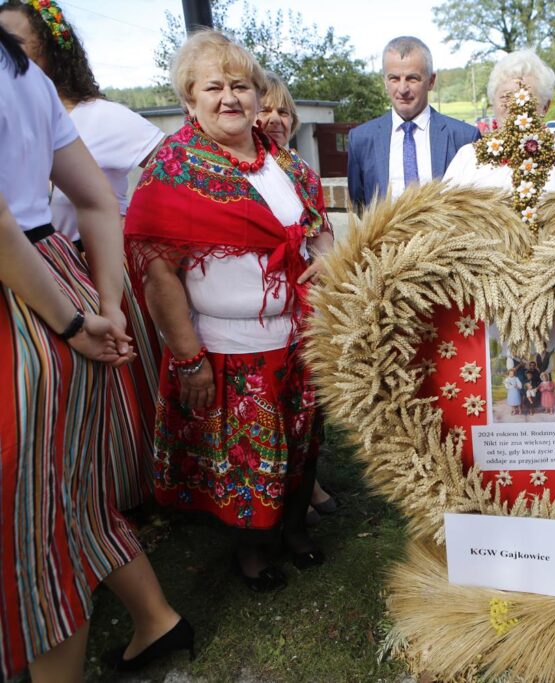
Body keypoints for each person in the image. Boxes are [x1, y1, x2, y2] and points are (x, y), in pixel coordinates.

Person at [0, 26, 190, 680]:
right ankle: (156, 618)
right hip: (60, 276)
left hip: (23, 298)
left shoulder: (53, 90)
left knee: (31, 534)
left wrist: (77, 321)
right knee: (66, 501)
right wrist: (103, 303)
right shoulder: (26, 77)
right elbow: (97, 199)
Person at [125, 30, 332, 592]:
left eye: (240, 85)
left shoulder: (284, 162)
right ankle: (253, 554)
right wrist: (188, 358)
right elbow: (159, 276)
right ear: (189, 99)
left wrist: (326, 255)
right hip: (229, 346)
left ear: (258, 94)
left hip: (300, 335)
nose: (229, 98)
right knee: (245, 459)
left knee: (300, 441)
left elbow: (317, 229)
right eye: (213, 87)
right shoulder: (173, 173)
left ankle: (294, 530)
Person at [0, 0, 165, 512]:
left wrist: (142, 228)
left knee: (121, 389)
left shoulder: (102, 115)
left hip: (93, 262)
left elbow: (170, 168)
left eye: (17, 43)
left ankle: (135, 486)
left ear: (50, 48)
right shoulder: (39, 98)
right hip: (62, 260)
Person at [257, 72, 339, 525]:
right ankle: (282, 493)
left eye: (283, 111)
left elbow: (322, 228)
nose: (275, 119)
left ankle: (310, 481)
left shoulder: (303, 172)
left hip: (305, 303)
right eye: (264, 109)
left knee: (308, 401)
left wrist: (325, 255)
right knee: (273, 404)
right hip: (261, 306)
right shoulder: (243, 170)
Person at [347, 35, 479, 213]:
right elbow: (360, 207)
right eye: (394, 78)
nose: (403, 89)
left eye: (412, 79)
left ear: (431, 81)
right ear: (384, 81)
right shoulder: (361, 140)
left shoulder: (465, 138)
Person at [443, 50, 555, 198]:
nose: (516, 106)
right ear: (492, 103)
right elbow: (444, 210)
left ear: (545, 106)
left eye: (526, 98)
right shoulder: (468, 157)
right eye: (505, 97)